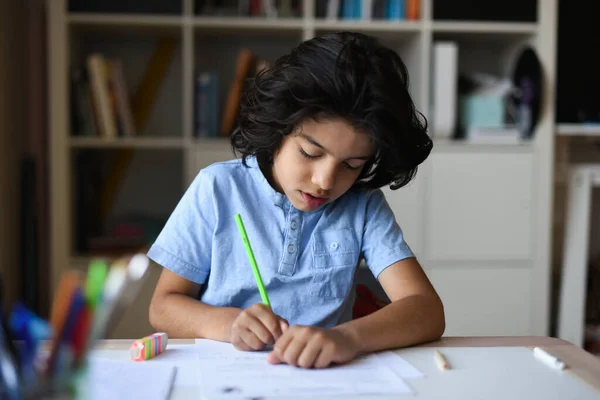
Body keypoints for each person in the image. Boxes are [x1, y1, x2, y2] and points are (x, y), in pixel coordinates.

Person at [147, 31, 445, 369]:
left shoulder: (362, 206)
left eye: (351, 165)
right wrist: (229, 325)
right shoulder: (217, 188)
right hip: (223, 375)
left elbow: (426, 309)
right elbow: (163, 306)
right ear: (278, 130)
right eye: (310, 152)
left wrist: (348, 337)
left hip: (326, 380)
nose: (325, 182)